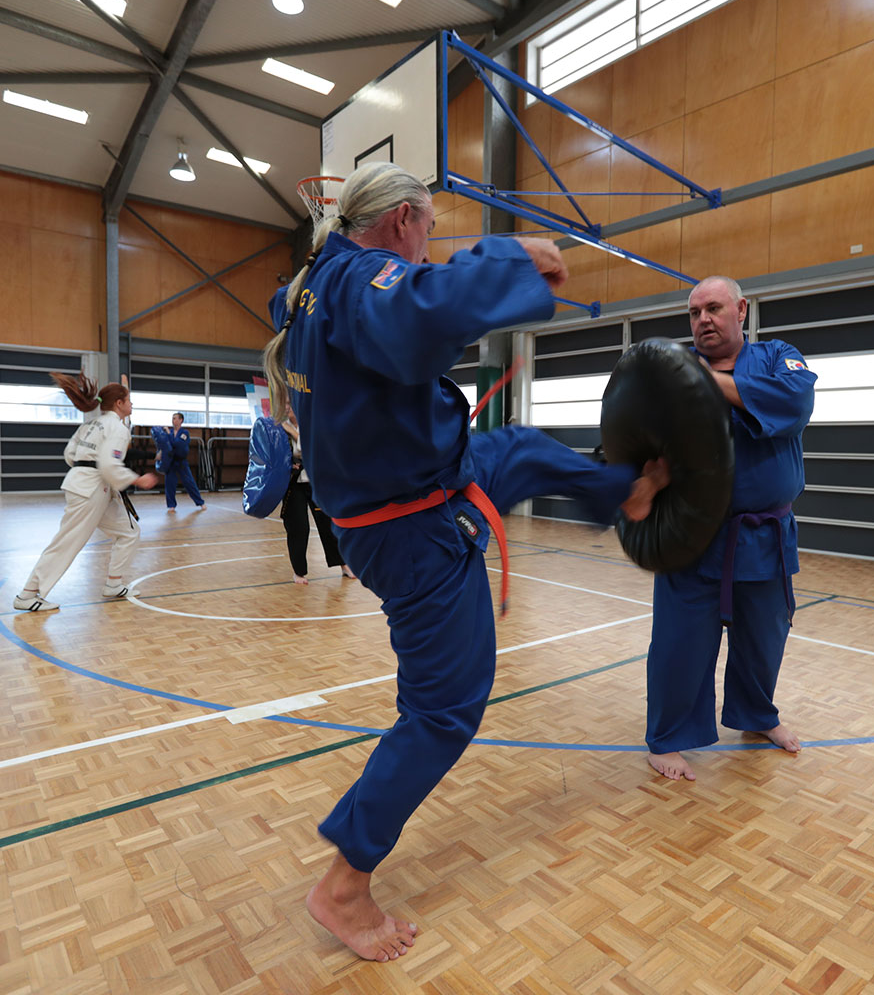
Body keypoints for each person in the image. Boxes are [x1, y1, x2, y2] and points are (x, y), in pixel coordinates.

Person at [264, 161, 668, 963]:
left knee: (512, 449)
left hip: (430, 480)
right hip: (412, 531)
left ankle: (624, 494)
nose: (428, 250)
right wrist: (511, 258)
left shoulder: (310, 283)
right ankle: (343, 886)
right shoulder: (354, 280)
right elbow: (415, 312)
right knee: (443, 711)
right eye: (429, 235)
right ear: (403, 222)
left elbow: (318, 314)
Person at [644, 275, 816, 781]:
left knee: (765, 636)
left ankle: (758, 716)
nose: (703, 320)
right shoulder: (666, 371)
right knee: (680, 640)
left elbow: (794, 403)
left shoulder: (777, 356)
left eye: (714, 309)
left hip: (764, 536)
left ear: (741, 310)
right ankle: (668, 737)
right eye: (695, 313)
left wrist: (702, 383)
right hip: (691, 535)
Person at [14, 373, 160, 611]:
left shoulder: (92, 424)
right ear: (119, 404)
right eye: (129, 399)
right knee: (67, 542)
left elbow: (69, 455)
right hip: (91, 489)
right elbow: (109, 464)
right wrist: (137, 480)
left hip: (86, 484)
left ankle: (114, 583)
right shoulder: (116, 428)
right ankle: (28, 594)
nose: (132, 404)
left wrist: (90, 471)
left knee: (128, 532)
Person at [280, 408, 354, 584]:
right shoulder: (278, 428)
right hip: (292, 484)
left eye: (290, 403)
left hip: (316, 481)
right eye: (285, 404)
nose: (287, 408)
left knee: (328, 523)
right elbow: (273, 456)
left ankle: (343, 564)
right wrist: (287, 465)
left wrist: (294, 433)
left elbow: (317, 450)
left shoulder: (311, 424)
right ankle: (298, 572)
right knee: (299, 527)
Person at [154, 412, 205, 512]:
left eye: (176, 418)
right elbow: (165, 445)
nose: (174, 421)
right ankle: (171, 505)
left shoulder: (185, 433)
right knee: (169, 483)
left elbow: (177, 444)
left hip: (181, 461)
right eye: (173, 418)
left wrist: (169, 434)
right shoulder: (169, 432)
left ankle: (200, 502)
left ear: (181, 420)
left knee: (189, 482)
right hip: (170, 461)